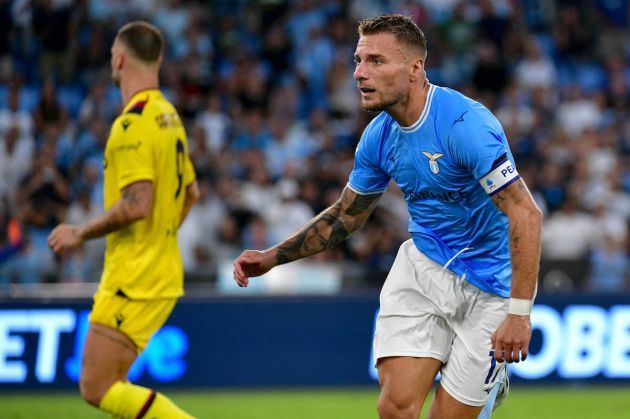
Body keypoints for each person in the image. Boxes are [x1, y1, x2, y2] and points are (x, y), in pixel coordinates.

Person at [233, 14, 542, 419]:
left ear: (415, 69)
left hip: (491, 286)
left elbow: (526, 213)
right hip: (424, 266)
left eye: (376, 61)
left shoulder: (465, 125)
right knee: (395, 408)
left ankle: (490, 383)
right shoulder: (378, 137)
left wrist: (519, 315)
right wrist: (271, 257)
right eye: (358, 60)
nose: (360, 73)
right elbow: (346, 215)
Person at [48, 21, 198, 419]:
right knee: (117, 385)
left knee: (96, 386)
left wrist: (80, 232)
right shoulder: (169, 117)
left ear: (118, 58)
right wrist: (161, 238)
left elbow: (137, 204)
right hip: (162, 268)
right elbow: (191, 194)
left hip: (133, 276)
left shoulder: (131, 124)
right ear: (159, 59)